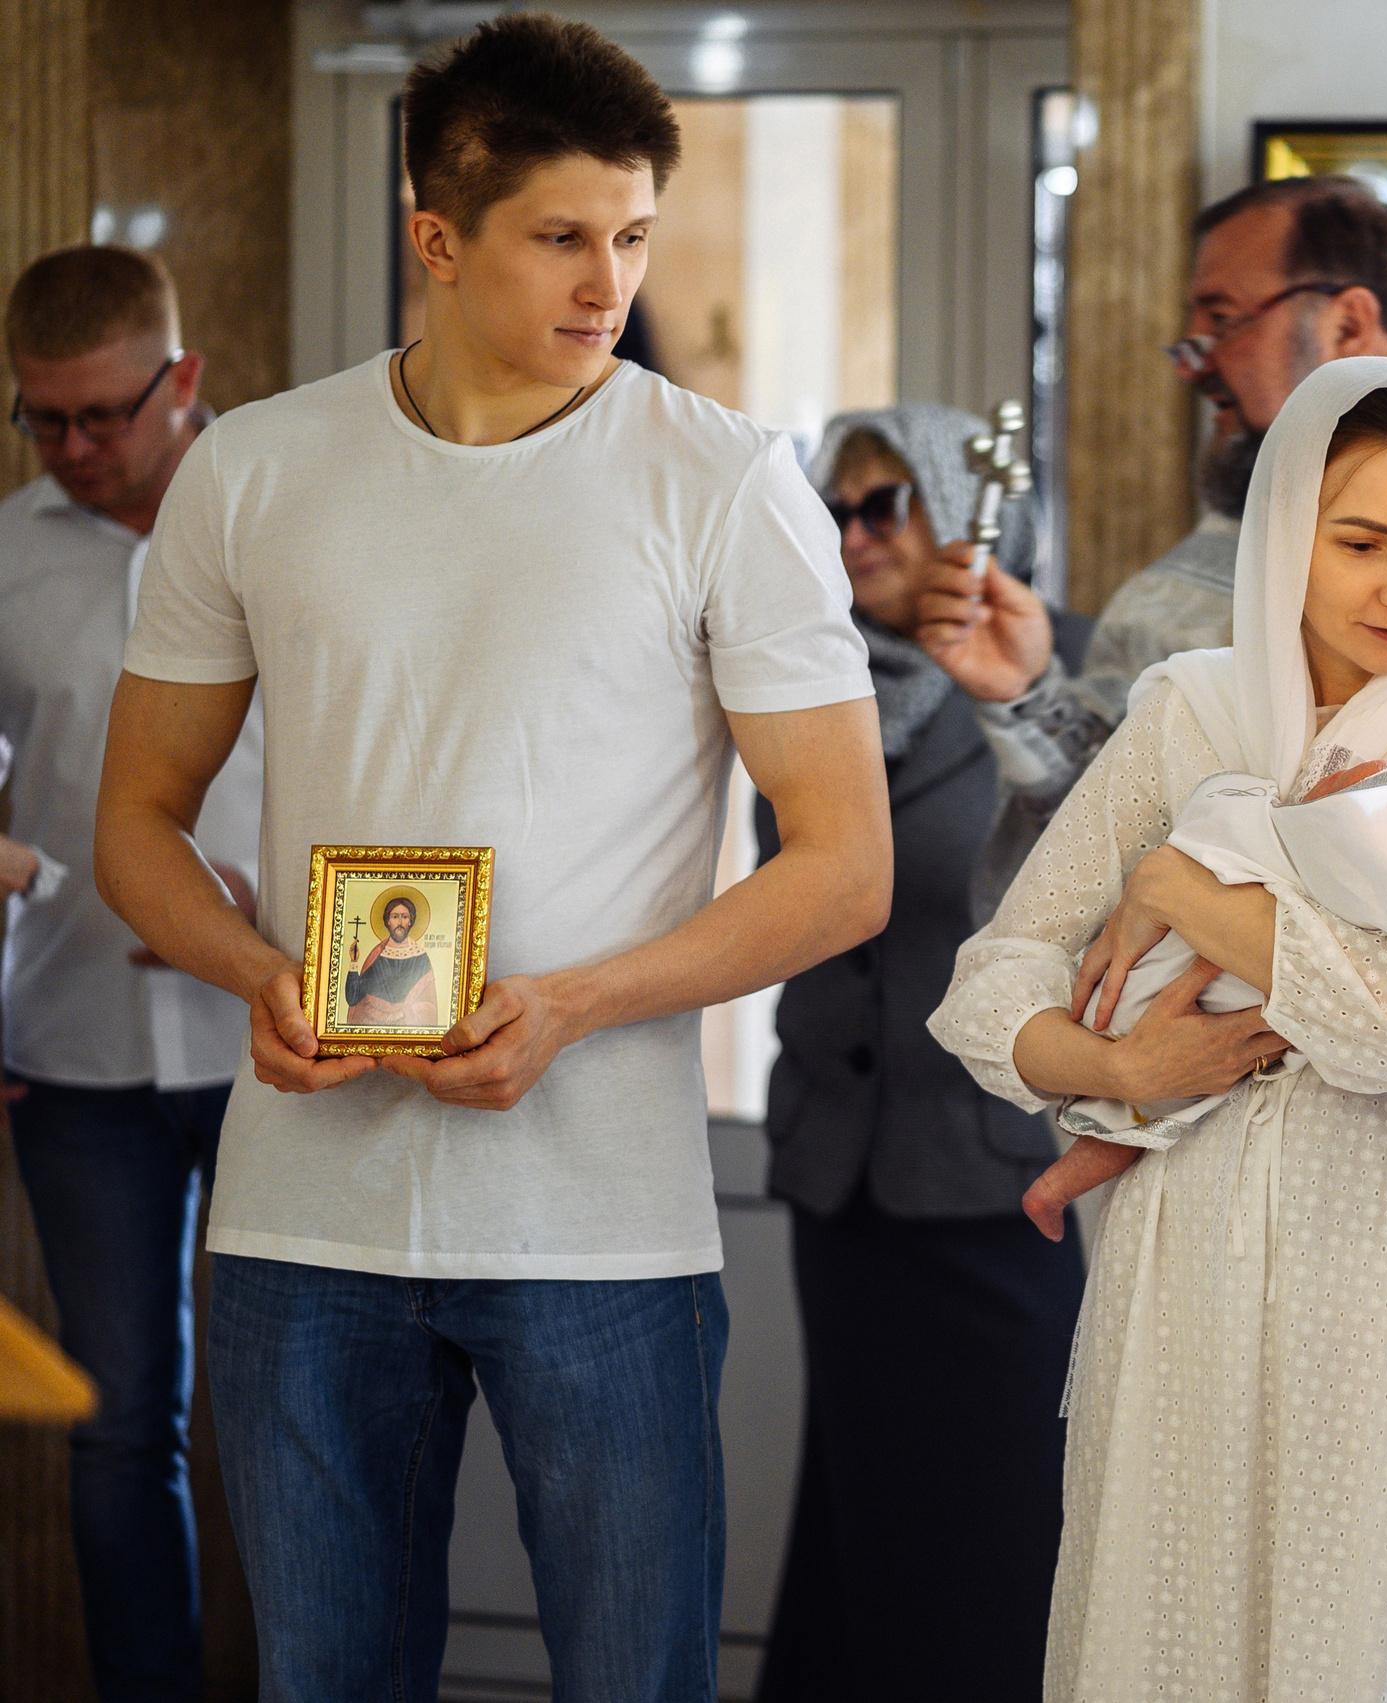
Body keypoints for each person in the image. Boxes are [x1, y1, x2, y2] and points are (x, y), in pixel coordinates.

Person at [91, 19, 890, 1701]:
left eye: (634, 236)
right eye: (562, 236)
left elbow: (841, 868)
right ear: (437, 239)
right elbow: (136, 828)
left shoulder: (729, 483)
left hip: (607, 1227)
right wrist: (260, 974)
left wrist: (575, 1001)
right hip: (306, 1219)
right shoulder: (253, 471)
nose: (608, 280)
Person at [928, 362, 1387, 1702]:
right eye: (1362, 541)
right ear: (1286, 534)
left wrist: (1187, 889)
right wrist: (1113, 1067)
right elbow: (993, 982)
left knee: (1378, 1635)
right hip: (1184, 1269)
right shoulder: (1193, 708)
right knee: (1175, 1633)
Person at [919, 176, 1387, 913]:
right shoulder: (1262, 502)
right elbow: (1117, 832)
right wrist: (1030, 695)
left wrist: (1194, 884)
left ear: (1345, 326)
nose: (1193, 360)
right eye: (1360, 544)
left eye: (1224, 320)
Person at [754, 405, 1090, 1703]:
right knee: (864, 1524)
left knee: (994, 1539)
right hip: (841, 1185)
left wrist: (1017, 685)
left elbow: (1093, 850)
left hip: (995, 1187)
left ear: (959, 505)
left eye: (883, 502)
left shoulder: (1039, 663)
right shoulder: (803, 678)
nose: (853, 533)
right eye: (833, 509)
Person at [0, 243, 261, 1703]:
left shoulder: (291, 516)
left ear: (185, 379)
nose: (79, 449)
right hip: (73, 1048)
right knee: (116, 1428)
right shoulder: (4, 555)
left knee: (306, 1417)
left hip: (280, 1044)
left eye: (106, 413)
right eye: (46, 420)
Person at [343, 894, 436, 1026]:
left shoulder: (421, 958)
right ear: (387, 921)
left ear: (410, 921)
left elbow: (429, 1004)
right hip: (373, 1029)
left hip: (407, 1030)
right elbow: (353, 998)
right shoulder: (377, 955)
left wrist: (404, 1013)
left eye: (404, 917)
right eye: (395, 917)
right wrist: (353, 962)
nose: (399, 923)